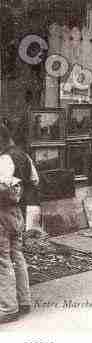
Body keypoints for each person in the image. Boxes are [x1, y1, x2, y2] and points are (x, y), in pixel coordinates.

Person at [0, 126, 33, 324]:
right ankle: (24, 300)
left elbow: (3, 186)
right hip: (17, 212)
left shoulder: (4, 159)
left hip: (2, 212)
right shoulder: (24, 156)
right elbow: (35, 181)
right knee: (17, 255)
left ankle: (8, 308)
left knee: (2, 260)